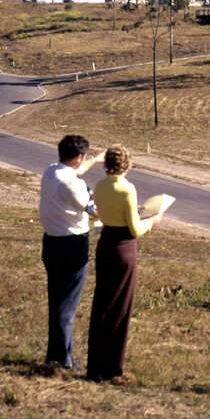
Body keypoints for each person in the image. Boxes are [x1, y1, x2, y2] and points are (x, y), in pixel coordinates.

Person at [85, 145, 165, 382]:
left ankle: (95, 365)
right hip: (124, 247)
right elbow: (134, 228)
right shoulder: (128, 189)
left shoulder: (99, 186)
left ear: (106, 164)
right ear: (127, 165)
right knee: (120, 306)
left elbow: (109, 212)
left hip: (105, 243)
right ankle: (112, 367)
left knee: (102, 304)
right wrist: (152, 221)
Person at [38, 133, 97, 369]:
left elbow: (78, 170)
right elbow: (95, 212)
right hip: (73, 246)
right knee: (67, 306)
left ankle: (61, 355)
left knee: (57, 302)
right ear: (79, 157)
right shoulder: (75, 185)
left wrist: (97, 158)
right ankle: (62, 361)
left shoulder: (50, 171)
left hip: (51, 242)